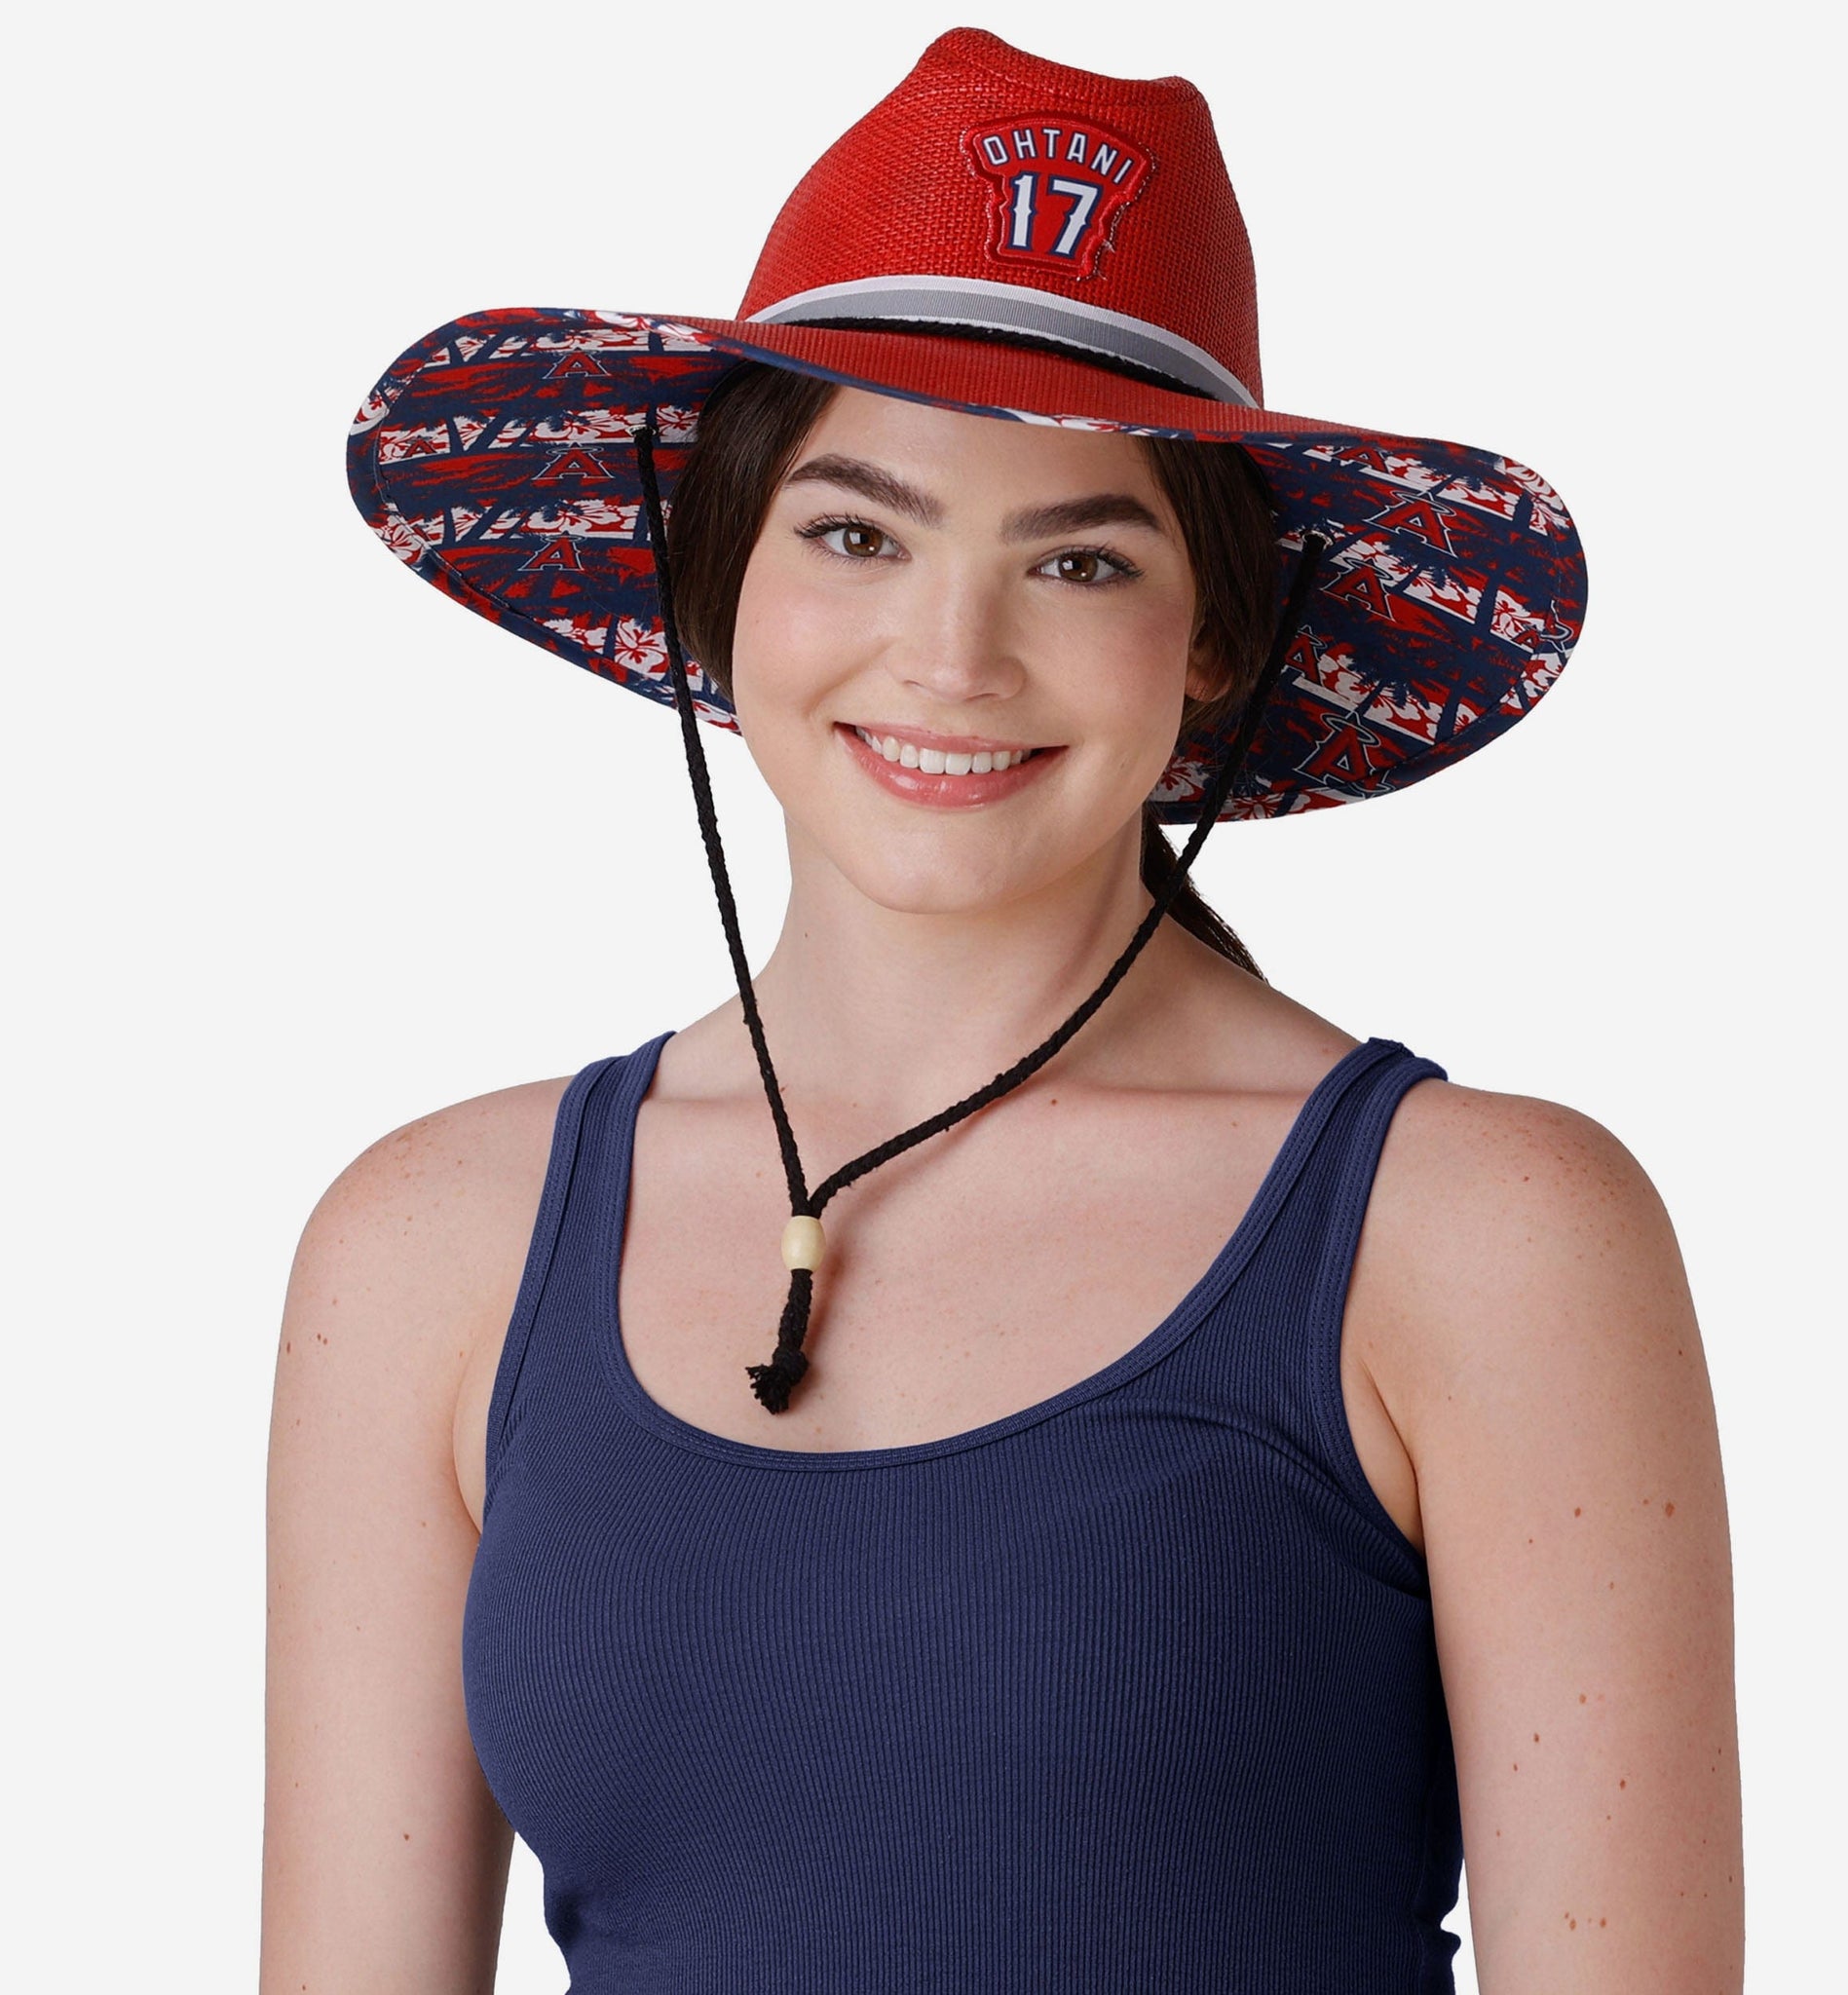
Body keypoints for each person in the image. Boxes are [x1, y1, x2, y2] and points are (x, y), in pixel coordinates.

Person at [263, 27, 1743, 1993]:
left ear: (1211, 640)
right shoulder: (427, 1246)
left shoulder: (1482, 1233)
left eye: (1079, 558)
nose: (951, 657)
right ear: (716, 581)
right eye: (855, 531)